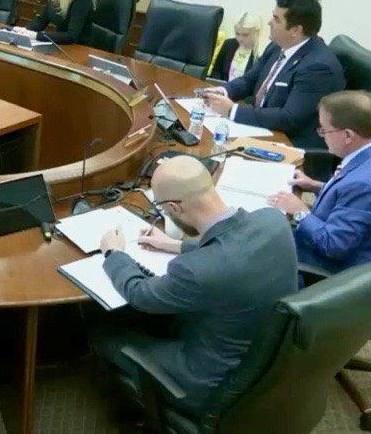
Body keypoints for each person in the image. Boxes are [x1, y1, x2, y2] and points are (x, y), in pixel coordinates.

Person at [91, 156, 297, 413]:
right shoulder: (273, 220)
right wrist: (174, 245)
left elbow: (140, 294)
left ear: (175, 208)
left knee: (104, 332)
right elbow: (233, 242)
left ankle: (136, 410)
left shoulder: (196, 270)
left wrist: (114, 254)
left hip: (207, 380)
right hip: (264, 357)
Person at [269, 91, 371, 274]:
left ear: (347, 135)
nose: (322, 135)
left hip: (322, 266)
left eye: (324, 130)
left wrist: (299, 212)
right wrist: (317, 186)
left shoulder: (366, 186)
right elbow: (352, 202)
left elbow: (333, 245)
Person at [202, 0, 345, 149]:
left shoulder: (318, 67)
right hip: (262, 128)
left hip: (290, 145)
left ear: (296, 30)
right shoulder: (278, 46)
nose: (269, 23)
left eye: (276, 20)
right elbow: (250, 80)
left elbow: (289, 118)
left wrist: (232, 110)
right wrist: (224, 91)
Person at [208, 12, 261, 81]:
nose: (240, 38)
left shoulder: (261, 52)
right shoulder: (229, 44)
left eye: (245, 35)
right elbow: (216, 71)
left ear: (256, 32)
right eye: (237, 34)